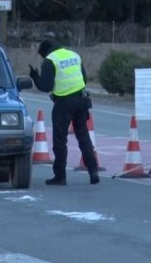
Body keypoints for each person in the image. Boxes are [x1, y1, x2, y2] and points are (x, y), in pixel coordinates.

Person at [29, 39, 99, 185]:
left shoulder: (50, 60)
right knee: (84, 138)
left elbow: (45, 86)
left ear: (44, 52)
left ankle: (60, 176)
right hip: (81, 101)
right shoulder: (73, 55)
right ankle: (93, 172)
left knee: (60, 141)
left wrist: (35, 76)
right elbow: (84, 80)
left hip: (63, 104)